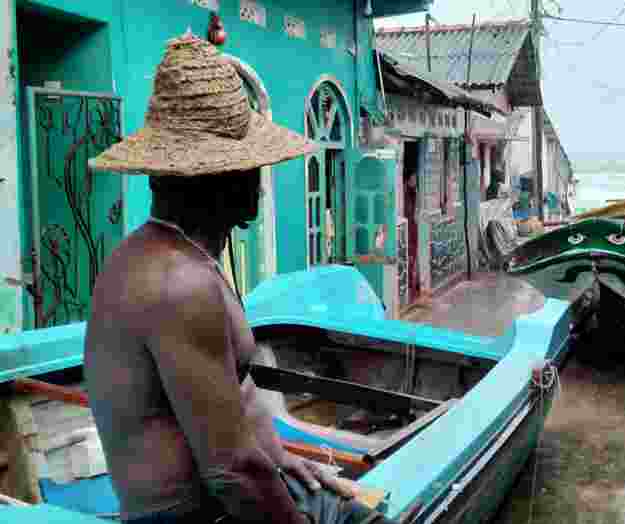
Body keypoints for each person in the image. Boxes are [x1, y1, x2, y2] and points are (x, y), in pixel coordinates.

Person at [84, 32, 418, 524]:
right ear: (220, 179)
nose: (259, 178)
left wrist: (284, 460)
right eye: (250, 166)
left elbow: (234, 410)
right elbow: (232, 472)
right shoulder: (179, 284)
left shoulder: (167, 254)